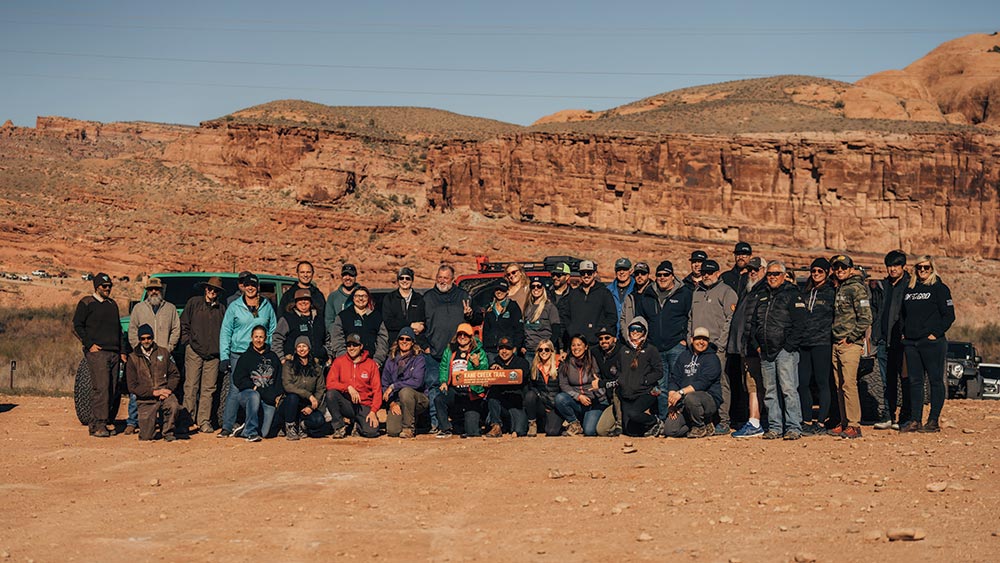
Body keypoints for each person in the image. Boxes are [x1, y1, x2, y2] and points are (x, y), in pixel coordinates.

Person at [748, 261, 806, 440]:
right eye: (770, 274)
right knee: (770, 391)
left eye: (776, 274)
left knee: (788, 390)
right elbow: (754, 323)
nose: (772, 277)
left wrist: (789, 346)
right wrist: (756, 344)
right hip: (765, 350)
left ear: (783, 275)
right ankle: (774, 427)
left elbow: (800, 324)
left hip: (784, 351)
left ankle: (794, 427)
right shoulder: (762, 295)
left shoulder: (792, 294)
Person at [900, 256, 955, 433]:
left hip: (932, 343)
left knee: (935, 381)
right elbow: (903, 314)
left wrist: (935, 334)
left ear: (932, 268)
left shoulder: (940, 288)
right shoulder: (909, 289)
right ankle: (915, 420)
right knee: (915, 382)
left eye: (926, 267)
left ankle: (933, 421)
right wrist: (903, 333)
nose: (922, 270)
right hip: (911, 342)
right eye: (919, 267)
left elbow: (949, 315)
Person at [634, 260, 693, 424]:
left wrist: (685, 340)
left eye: (666, 274)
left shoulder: (684, 293)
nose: (662, 277)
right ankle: (663, 419)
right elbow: (640, 320)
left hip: (676, 346)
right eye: (659, 275)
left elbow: (691, 317)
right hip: (655, 348)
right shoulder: (648, 295)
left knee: (677, 383)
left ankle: (679, 419)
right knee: (660, 386)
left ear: (672, 276)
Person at [219, 273, 278, 437]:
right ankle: (227, 425)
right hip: (239, 352)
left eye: (253, 285)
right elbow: (226, 331)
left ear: (258, 287)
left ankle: (253, 423)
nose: (250, 288)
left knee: (261, 386)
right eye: (247, 285)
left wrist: (270, 350)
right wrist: (224, 356)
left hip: (261, 353)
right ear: (243, 287)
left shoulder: (266, 305)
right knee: (236, 388)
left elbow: (272, 329)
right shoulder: (235, 306)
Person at [422, 265, 479, 431]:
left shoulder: (463, 296)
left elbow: (477, 319)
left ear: (453, 279)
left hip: (458, 353)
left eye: (446, 278)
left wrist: (470, 314)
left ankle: (458, 422)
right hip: (434, 352)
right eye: (439, 277)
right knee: (434, 385)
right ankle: (436, 423)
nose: (442, 280)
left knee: (459, 387)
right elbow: (417, 325)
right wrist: (425, 346)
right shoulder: (427, 298)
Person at [125, 277, 181, 435]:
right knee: (138, 388)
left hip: (164, 354)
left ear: (161, 290)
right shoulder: (139, 308)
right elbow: (133, 330)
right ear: (147, 291)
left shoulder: (170, 308)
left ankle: (166, 422)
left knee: (168, 385)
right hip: (142, 354)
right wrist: (138, 348)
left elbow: (176, 329)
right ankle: (133, 421)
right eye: (150, 289)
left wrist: (169, 348)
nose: (154, 292)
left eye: (156, 289)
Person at [72, 272, 126, 437]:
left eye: (110, 286)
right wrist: (89, 345)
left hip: (114, 353)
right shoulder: (87, 303)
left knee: (112, 388)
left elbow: (118, 330)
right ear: (97, 286)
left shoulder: (112, 304)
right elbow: (76, 326)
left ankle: (102, 421)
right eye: (105, 286)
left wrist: (123, 351)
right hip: (98, 352)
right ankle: (98, 425)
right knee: (101, 387)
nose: (108, 288)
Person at [688, 259, 738, 434]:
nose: (706, 275)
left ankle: (723, 420)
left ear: (718, 273)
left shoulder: (727, 292)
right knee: (699, 383)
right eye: (704, 273)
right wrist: (689, 339)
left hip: (717, 348)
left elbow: (730, 319)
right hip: (697, 347)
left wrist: (721, 344)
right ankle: (706, 420)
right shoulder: (697, 292)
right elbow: (690, 318)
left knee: (721, 383)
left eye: (710, 272)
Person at [829, 254, 873, 439]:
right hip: (836, 343)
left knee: (849, 384)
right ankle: (845, 421)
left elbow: (866, 318)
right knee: (840, 385)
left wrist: (851, 338)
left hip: (849, 345)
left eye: (843, 267)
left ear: (850, 269)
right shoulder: (840, 288)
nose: (840, 270)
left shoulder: (856, 288)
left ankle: (854, 424)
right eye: (837, 268)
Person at [179, 276, 227, 434]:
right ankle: (187, 420)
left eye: (216, 290)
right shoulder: (194, 303)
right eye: (210, 288)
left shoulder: (222, 308)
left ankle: (204, 421)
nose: (212, 292)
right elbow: (183, 323)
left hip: (213, 355)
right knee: (191, 387)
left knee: (208, 389)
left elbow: (225, 331)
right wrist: (187, 343)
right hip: (194, 351)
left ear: (219, 293)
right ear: (205, 289)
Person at [871, 250, 911, 430]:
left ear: (903, 267)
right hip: (883, 341)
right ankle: (889, 415)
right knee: (887, 381)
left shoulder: (910, 285)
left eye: (896, 265)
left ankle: (906, 417)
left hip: (902, 341)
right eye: (890, 266)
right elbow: (874, 310)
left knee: (906, 379)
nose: (892, 269)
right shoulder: (882, 286)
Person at [797, 258, 836, 435]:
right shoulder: (804, 292)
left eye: (820, 271)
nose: (816, 274)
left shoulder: (832, 291)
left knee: (823, 382)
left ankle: (821, 422)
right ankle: (806, 420)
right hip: (804, 343)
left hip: (823, 342)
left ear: (827, 272)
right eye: (814, 271)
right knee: (803, 383)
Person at [223, 325, 282, 442]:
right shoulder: (245, 357)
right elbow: (238, 379)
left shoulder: (273, 357)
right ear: (251, 338)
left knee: (265, 433)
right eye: (256, 337)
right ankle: (251, 432)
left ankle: (244, 429)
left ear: (265, 338)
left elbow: (279, 378)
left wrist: (277, 394)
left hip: (268, 397)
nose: (258, 340)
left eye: (261, 337)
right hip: (248, 394)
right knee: (254, 396)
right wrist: (254, 387)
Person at [730, 257, 768, 438]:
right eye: (750, 270)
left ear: (764, 270)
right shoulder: (748, 290)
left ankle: (756, 422)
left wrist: (756, 344)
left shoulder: (763, 291)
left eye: (756, 269)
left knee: (756, 385)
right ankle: (754, 419)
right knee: (750, 385)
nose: (752, 272)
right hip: (745, 347)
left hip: (755, 348)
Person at [662, 327, 722, 438]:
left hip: (707, 400)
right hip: (685, 402)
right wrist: (672, 396)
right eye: (698, 338)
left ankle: (700, 425)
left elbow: (703, 383)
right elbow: (674, 378)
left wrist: (680, 393)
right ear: (692, 339)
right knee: (670, 430)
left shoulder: (713, 358)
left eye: (704, 339)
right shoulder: (683, 356)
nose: (701, 342)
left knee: (691, 397)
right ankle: (695, 423)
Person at [125, 324, 182, 441]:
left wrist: (168, 390)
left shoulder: (164, 352)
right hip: (146, 398)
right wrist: (154, 392)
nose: (146, 341)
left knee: (173, 405)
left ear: (153, 337)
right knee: (146, 436)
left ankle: (168, 431)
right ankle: (149, 427)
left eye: (149, 338)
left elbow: (174, 374)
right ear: (139, 339)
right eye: (143, 338)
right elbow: (132, 386)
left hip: (165, 393)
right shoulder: (132, 358)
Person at [433, 323, 489, 438]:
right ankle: (445, 428)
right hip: (455, 391)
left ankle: (470, 425)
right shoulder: (450, 351)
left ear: (471, 337)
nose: (462, 337)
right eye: (460, 334)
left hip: (471, 392)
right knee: (439, 399)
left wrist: (477, 365)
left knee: (472, 432)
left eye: (466, 335)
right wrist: (443, 381)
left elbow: (484, 372)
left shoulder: (479, 352)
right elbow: (443, 367)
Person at [325, 333, 382, 439]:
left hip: (363, 405)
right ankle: (339, 427)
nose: (351, 348)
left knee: (371, 432)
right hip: (346, 403)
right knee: (331, 394)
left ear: (361, 346)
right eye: (349, 345)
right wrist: (348, 387)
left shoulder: (371, 364)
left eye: (355, 345)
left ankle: (357, 424)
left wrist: (373, 411)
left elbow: (377, 390)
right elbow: (330, 383)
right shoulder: (339, 362)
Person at [617, 317, 664, 437]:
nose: (635, 332)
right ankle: (647, 427)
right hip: (627, 394)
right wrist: (621, 381)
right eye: (632, 329)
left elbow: (659, 371)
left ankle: (655, 421)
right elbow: (618, 369)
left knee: (634, 414)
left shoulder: (651, 350)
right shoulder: (623, 350)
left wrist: (645, 380)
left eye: (639, 330)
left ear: (644, 332)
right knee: (630, 431)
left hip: (645, 392)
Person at [381, 327, 428, 438]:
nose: (404, 341)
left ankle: (408, 428)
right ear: (397, 341)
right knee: (393, 431)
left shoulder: (418, 359)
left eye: (408, 339)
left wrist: (394, 386)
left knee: (405, 391)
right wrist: (391, 403)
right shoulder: (391, 360)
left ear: (412, 342)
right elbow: (384, 383)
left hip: (418, 399)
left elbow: (417, 382)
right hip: (398, 401)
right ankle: (407, 419)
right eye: (401, 339)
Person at [555, 334, 606, 436]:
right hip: (577, 402)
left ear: (586, 346)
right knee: (560, 398)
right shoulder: (565, 363)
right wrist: (578, 396)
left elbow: (600, 382)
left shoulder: (593, 360)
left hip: (594, 402)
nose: (576, 348)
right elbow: (563, 385)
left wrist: (598, 387)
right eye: (573, 345)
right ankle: (574, 423)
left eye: (579, 345)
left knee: (589, 431)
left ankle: (587, 421)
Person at [327, 286, 389, 367]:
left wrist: (377, 360)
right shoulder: (343, 316)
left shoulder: (376, 317)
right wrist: (343, 358)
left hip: (370, 362)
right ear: (353, 298)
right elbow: (337, 338)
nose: (361, 299)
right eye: (357, 296)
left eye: (364, 296)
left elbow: (383, 340)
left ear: (368, 298)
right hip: (348, 363)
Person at [280, 336, 327, 440]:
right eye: (299, 346)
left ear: (309, 348)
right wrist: (308, 395)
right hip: (290, 405)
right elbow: (288, 386)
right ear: (295, 350)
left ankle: (302, 426)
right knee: (293, 397)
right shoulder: (289, 365)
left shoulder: (316, 368)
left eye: (304, 346)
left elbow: (320, 389)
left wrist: (311, 406)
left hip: (306, 405)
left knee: (319, 421)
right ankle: (290, 427)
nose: (301, 349)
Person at [485, 336, 531, 437]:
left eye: (508, 348)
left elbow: (520, 377)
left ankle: (507, 425)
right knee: (492, 395)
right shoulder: (494, 362)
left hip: (516, 403)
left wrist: (503, 372)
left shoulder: (522, 362)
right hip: (500, 405)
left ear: (514, 350)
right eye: (501, 348)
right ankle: (496, 426)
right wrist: (492, 373)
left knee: (519, 431)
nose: (504, 351)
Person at [564, 260, 617, 345]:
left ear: (595, 273)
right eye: (583, 273)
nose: (586, 275)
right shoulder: (573, 294)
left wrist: (600, 332)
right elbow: (566, 316)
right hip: (577, 343)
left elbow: (612, 317)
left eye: (589, 272)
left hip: (596, 343)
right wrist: (572, 331)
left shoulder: (604, 293)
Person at [273, 288, 328, 366]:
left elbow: (327, 338)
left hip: (318, 365)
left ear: (311, 301)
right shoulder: (287, 319)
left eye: (306, 299)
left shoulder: (319, 318)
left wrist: (327, 353)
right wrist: (281, 359)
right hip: (294, 365)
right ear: (295, 302)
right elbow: (277, 339)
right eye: (300, 299)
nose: (303, 302)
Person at [523, 339, 563, 437]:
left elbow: (563, 387)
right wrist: (540, 398)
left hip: (555, 406)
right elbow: (532, 386)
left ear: (551, 351)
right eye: (540, 350)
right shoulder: (535, 367)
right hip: (542, 404)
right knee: (530, 395)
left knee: (552, 432)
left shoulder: (560, 365)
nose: (543, 352)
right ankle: (532, 424)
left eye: (546, 349)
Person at [479, 280, 525, 361]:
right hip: (491, 351)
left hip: (508, 349)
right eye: (497, 289)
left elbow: (519, 329)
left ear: (507, 291)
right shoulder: (489, 308)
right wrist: (485, 347)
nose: (499, 292)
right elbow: (486, 330)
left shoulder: (512, 306)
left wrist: (516, 346)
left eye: (502, 290)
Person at [591, 326, 624, 436]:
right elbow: (579, 351)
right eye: (601, 339)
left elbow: (621, 380)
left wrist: (602, 383)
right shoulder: (596, 352)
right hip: (610, 401)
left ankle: (620, 425)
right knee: (601, 430)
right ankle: (620, 424)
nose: (603, 341)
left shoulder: (623, 352)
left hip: (625, 398)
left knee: (617, 389)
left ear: (614, 339)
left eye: (607, 338)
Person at [381, 267, 426, 344]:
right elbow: (389, 322)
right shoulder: (390, 298)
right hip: (395, 343)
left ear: (412, 281)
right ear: (398, 280)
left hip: (415, 343)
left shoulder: (419, 299)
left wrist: (422, 327)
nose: (404, 280)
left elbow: (423, 321)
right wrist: (411, 325)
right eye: (401, 278)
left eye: (407, 278)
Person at [523, 278, 561, 364]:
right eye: (533, 286)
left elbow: (556, 330)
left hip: (544, 352)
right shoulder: (527, 307)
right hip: (529, 352)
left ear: (543, 288)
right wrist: (523, 346)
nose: (536, 288)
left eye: (539, 286)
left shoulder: (550, 307)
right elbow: (524, 329)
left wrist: (548, 346)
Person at [618, 261, 651, 336]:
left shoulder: (654, 293)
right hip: (631, 338)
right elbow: (623, 319)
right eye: (637, 274)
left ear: (648, 275)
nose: (639, 276)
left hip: (650, 340)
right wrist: (627, 336)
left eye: (643, 273)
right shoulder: (630, 296)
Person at [324, 263, 359, 329]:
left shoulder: (363, 295)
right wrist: (335, 335)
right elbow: (329, 321)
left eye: (351, 275)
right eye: (345, 275)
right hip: (339, 336)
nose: (348, 278)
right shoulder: (333, 297)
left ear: (355, 277)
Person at [548, 262, 573, 353]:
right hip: (549, 341)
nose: (555, 278)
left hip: (567, 342)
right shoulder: (546, 295)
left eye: (558, 275)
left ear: (567, 277)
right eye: (553, 274)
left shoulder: (574, 295)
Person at [607, 257, 635, 326]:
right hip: (612, 333)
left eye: (625, 269)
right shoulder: (608, 290)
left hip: (632, 333)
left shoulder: (636, 289)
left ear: (631, 271)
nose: (621, 272)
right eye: (619, 269)